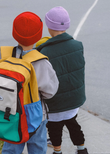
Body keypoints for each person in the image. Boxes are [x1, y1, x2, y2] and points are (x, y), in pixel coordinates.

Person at [0, 11, 59, 154]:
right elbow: (50, 92)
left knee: (11, 148)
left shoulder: (2, 54)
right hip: (36, 117)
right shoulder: (41, 62)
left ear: (14, 32)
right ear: (39, 35)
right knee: (38, 149)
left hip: (9, 112)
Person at [36, 6, 88, 154]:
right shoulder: (78, 46)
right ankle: (81, 149)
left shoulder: (44, 52)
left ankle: (57, 151)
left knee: (54, 128)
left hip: (55, 104)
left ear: (48, 26)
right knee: (73, 124)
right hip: (74, 101)